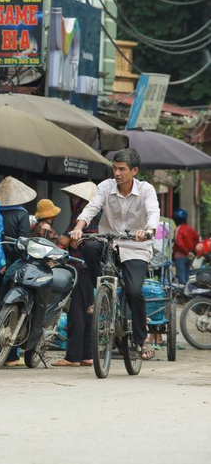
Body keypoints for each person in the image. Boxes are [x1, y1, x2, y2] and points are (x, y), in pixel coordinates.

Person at [70, 149, 161, 361]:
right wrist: (79, 226)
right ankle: (100, 293)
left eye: (122, 169)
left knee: (134, 290)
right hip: (109, 244)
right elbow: (91, 208)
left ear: (134, 171)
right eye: (115, 168)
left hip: (136, 248)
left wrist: (148, 230)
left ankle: (140, 338)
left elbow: (153, 212)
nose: (117, 173)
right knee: (90, 246)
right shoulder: (105, 187)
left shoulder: (146, 190)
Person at [0, 176, 37, 367]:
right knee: (15, 306)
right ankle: (11, 355)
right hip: (13, 266)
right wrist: (9, 262)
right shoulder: (21, 214)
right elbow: (23, 243)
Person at [53, 182, 99, 367]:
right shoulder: (97, 216)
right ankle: (87, 355)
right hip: (92, 268)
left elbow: (65, 239)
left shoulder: (79, 216)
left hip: (79, 267)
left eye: (74, 198)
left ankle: (72, 357)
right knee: (88, 311)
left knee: (76, 312)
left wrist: (60, 243)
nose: (72, 201)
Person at [172, 208, 199, 285]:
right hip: (190, 256)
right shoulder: (190, 228)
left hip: (180, 256)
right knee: (190, 274)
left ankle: (183, 294)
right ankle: (191, 291)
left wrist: (186, 252)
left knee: (181, 277)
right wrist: (192, 251)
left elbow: (178, 242)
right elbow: (197, 240)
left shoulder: (178, 229)